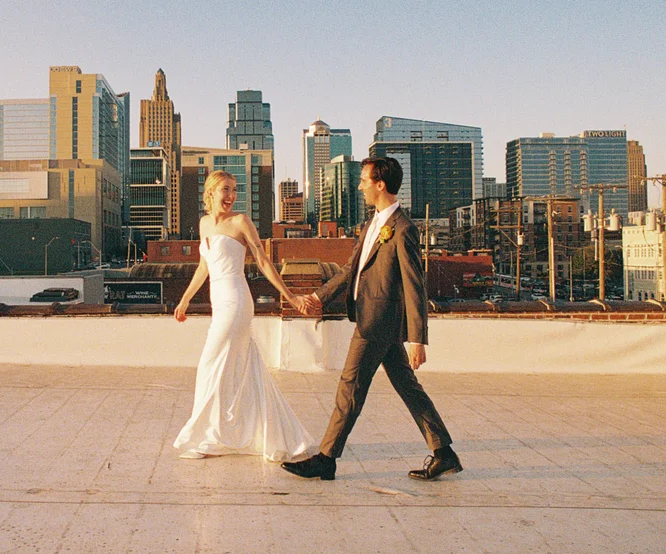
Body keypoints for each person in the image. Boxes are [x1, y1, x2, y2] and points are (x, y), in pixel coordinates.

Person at [283, 156, 461, 481]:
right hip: (377, 320)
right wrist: (318, 296)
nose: (360, 185)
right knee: (408, 386)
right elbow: (352, 270)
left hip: (375, 323)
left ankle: (326, 458)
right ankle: (443, 452)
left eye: (364, 179)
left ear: (380, 184)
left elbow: (414, 286)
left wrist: (418, 339)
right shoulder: (373, 224)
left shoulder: (403, 229)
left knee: (349, 388)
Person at [173, 170, 314, 461]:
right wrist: (185, 300)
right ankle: (243, 433)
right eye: (225, 189)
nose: (231, 196)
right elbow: (204, 267)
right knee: (237, 370)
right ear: (210, 192)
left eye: (234, 190)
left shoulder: (241, 222)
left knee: (210, 365)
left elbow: (263, 261)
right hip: (218, 303)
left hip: (236, 302)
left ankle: (204, 437)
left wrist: (289, 296)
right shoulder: (203, 224)